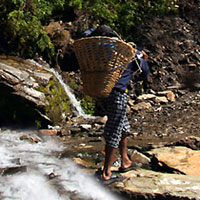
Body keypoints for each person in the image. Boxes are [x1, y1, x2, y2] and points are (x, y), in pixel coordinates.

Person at [100, 47, 150, 185]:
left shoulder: (103, 51)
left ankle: (125, 160)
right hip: (118, 94)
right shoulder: (133, 53)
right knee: (114, 130)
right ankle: (106, 173)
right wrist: (143, 60)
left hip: (105, 93)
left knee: (123, 126)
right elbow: (144, 72)